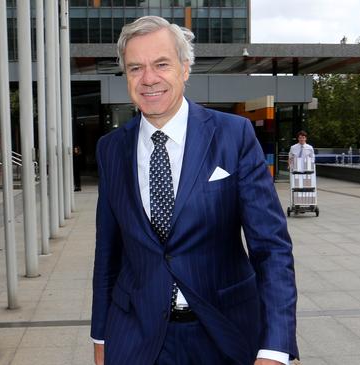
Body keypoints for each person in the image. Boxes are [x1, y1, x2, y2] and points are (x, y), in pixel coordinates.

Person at [91, 16, 298, 365]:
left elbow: (271, 249)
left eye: (161, 64)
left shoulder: (234, 136)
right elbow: (107, 253)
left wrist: (275, 347)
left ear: (185, 69)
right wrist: (100, 334)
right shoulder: (110, 149)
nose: (148, 79)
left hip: (224, 335)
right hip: (135, 338)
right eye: (135, 68)